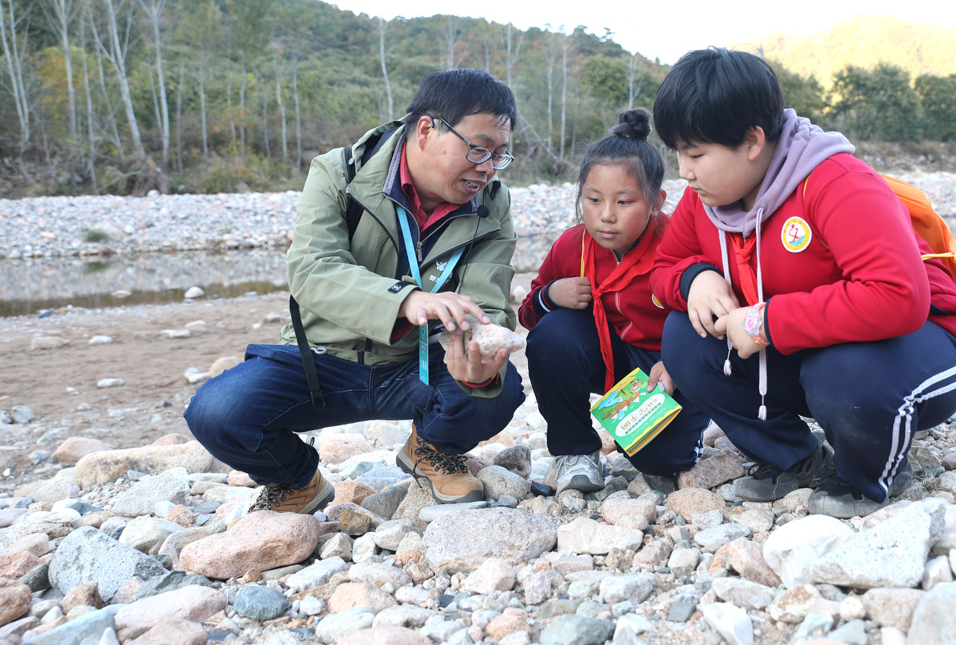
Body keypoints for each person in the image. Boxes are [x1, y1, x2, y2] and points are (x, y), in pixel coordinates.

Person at [649, 48, 956, 517]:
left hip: (923, 345)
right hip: (810, 353)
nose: (684, 170)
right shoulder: (704, 201)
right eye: (679, 153)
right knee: (685, 336)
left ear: (752, 141)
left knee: (843, 372)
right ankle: (793, 462)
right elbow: (661, 268)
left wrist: (768, 321)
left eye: (695, 154)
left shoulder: (835, 183)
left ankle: (867, 472)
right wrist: (694, 278)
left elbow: (900, 297)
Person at [185, 68, 525, 513]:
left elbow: (489, 300)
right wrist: (406, 301)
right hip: (322, 364)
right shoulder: (340, 173)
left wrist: (483, 360)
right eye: (478, 148)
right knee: (217, 412)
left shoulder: (492, 202)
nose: (486, 168)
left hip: (417, 365)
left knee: (500, 389)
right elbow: (312, 270)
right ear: (427, 129)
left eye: (499, 155)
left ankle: (431, 448)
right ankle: (297, 481)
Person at [519, 109, 710, 493]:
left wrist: (678, 364)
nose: (606, 216)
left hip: (667, 365)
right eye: (593, 199)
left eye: (624, 202)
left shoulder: (678, 242)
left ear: (656, 201)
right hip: (609, 360)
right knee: (552, 333)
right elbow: (526, 314)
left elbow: (711, 318)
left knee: (659, 461)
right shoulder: (573, 246)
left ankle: (691, 428)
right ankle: (575, 451)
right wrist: (550, 295)